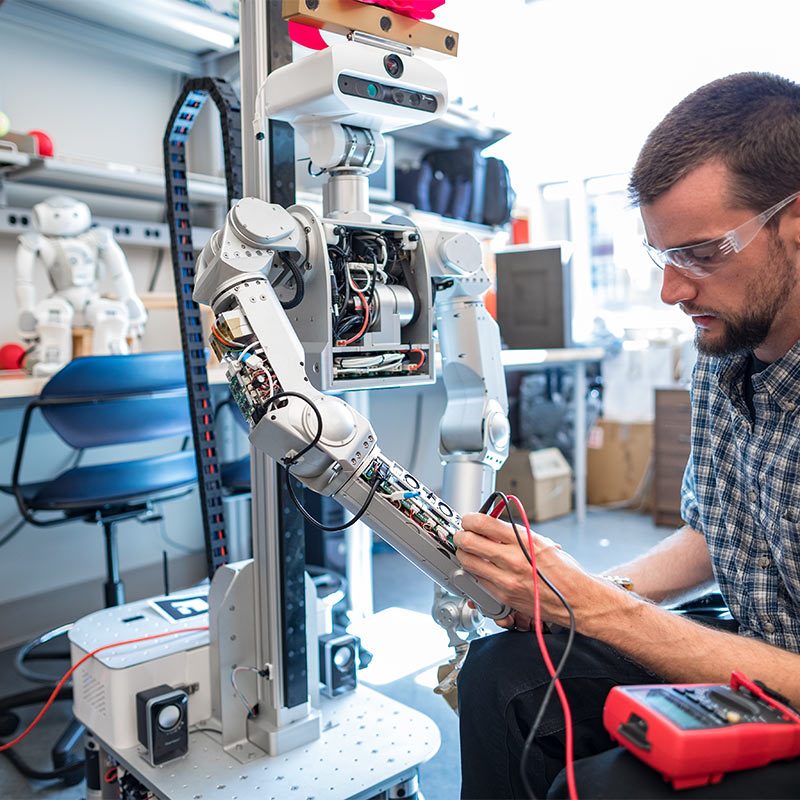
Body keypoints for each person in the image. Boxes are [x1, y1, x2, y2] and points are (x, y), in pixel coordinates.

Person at [455, 71, 800, 800]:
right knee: (501, 673)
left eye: (702, 253)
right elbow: (719, 535)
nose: (673, 292)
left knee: (609, 790)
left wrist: (598, 606)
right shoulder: (726, 347)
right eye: (664, 256)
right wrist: (571, 593)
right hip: (751, 633)